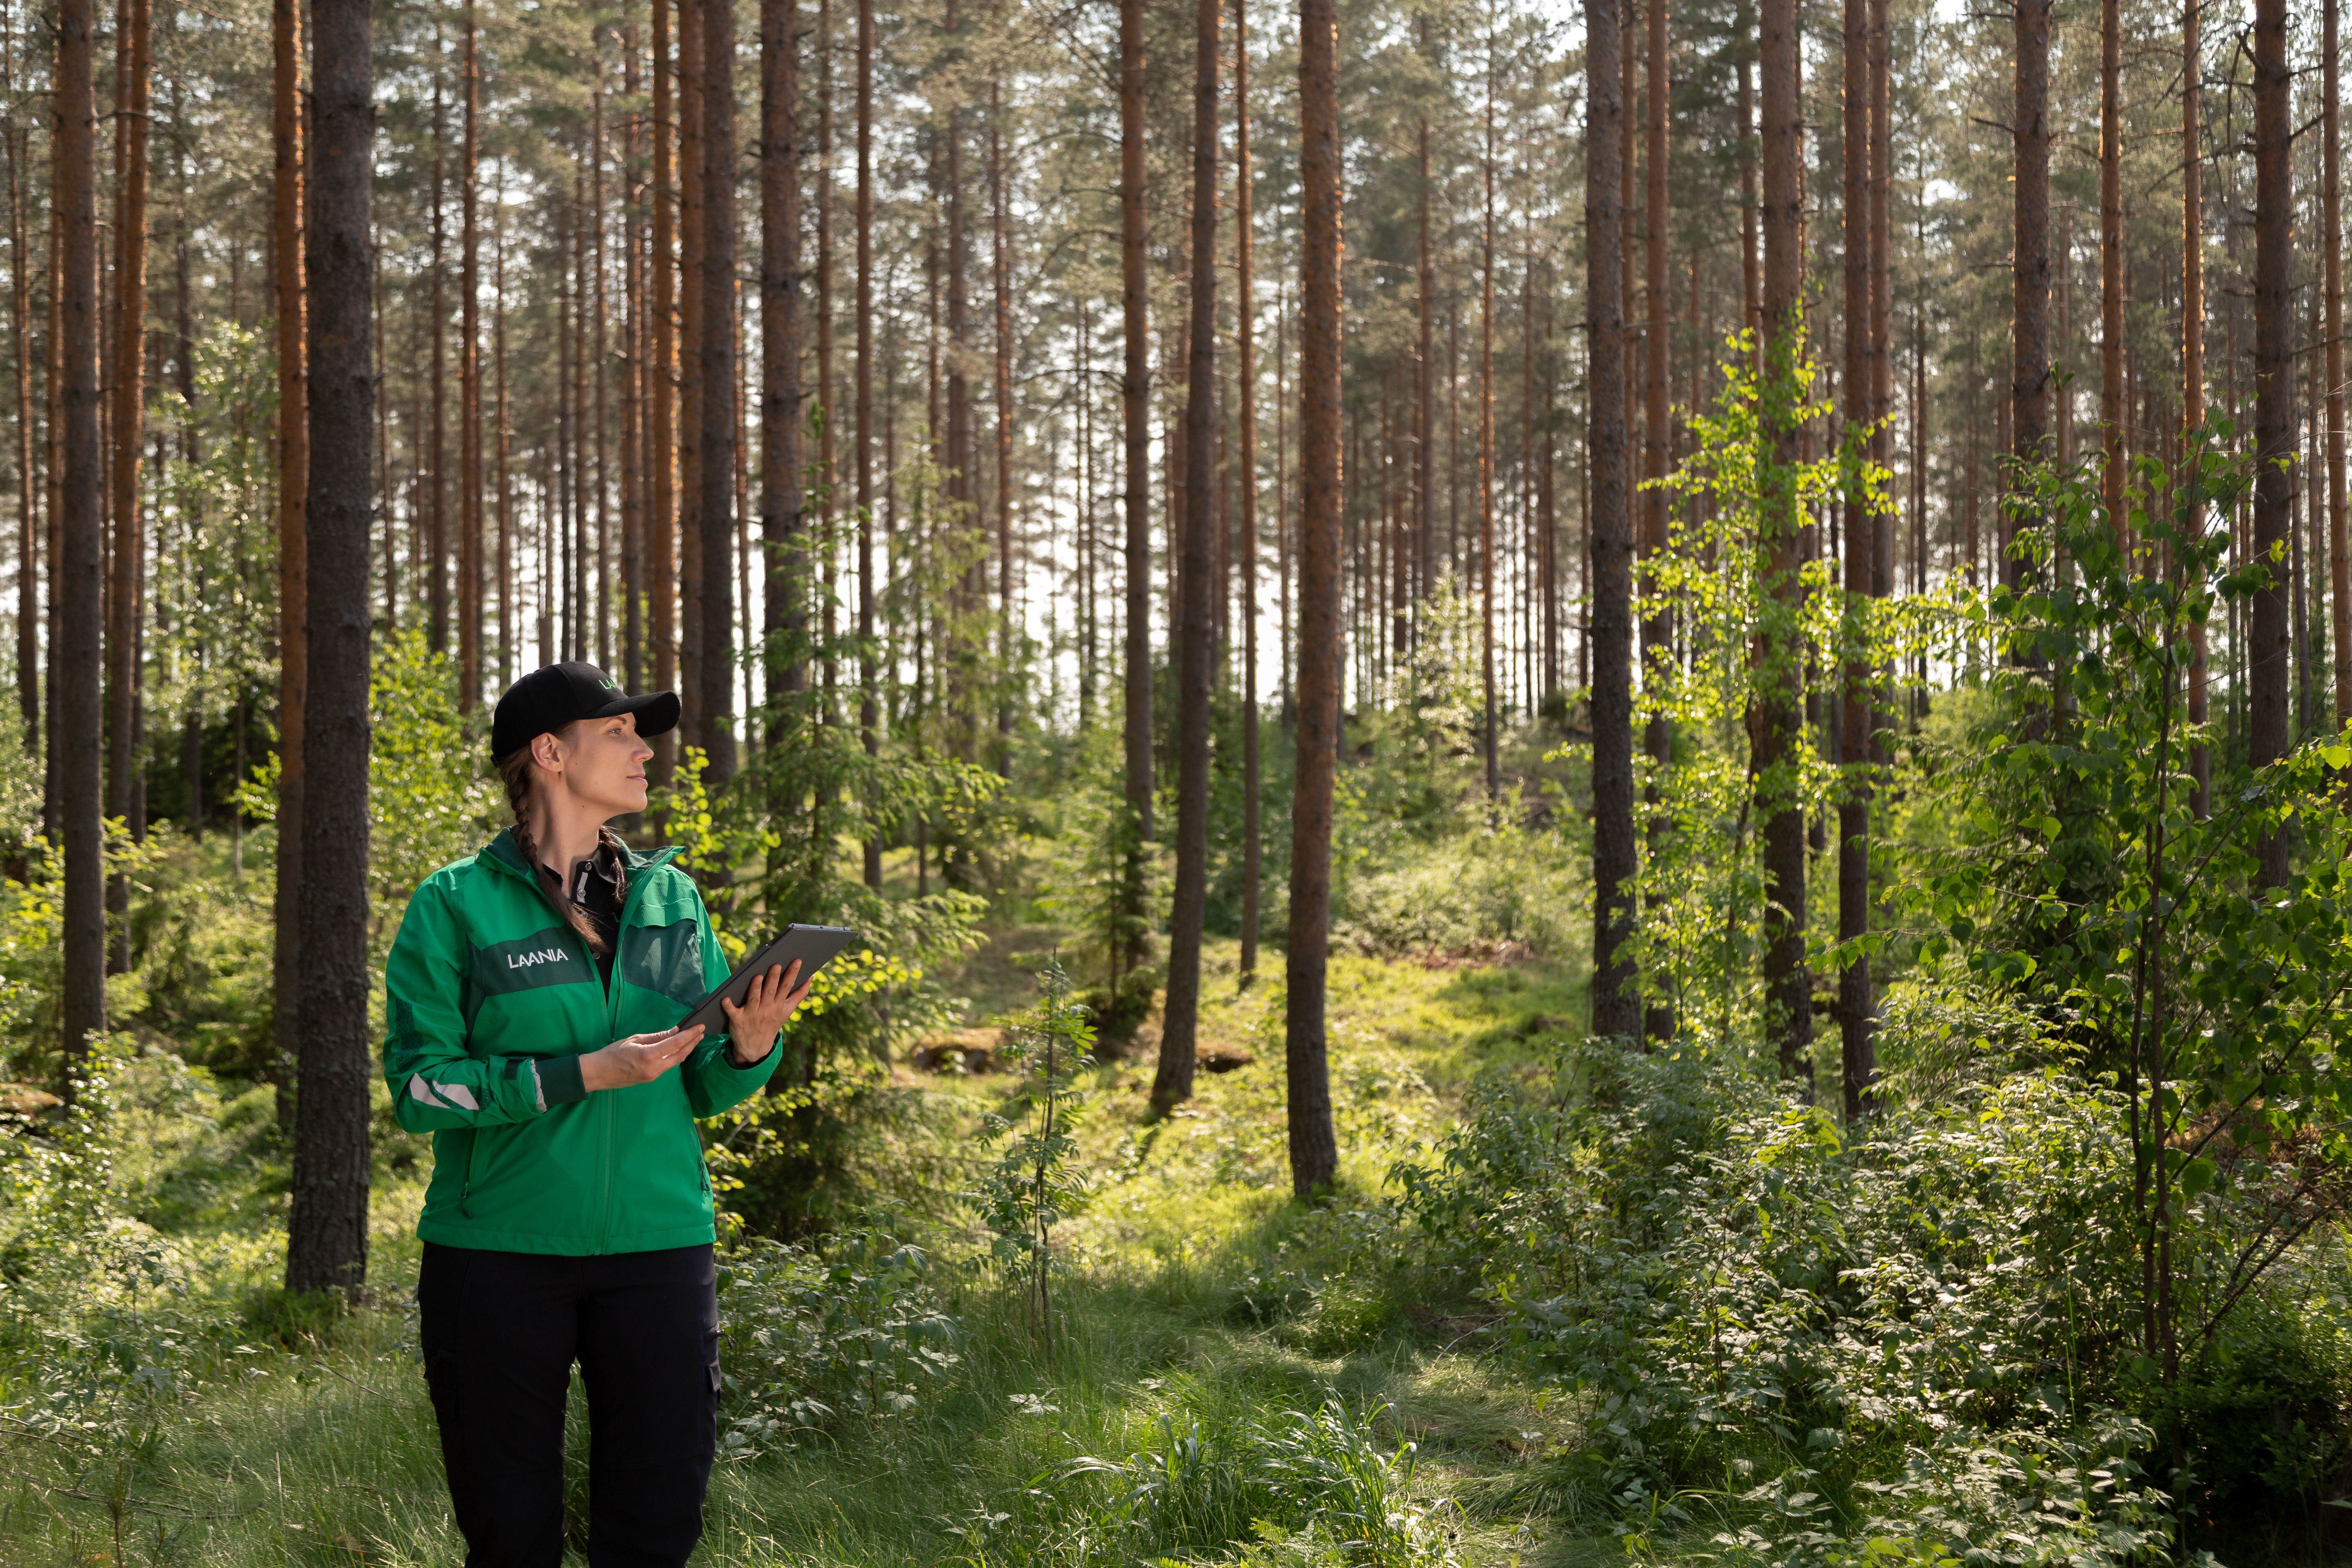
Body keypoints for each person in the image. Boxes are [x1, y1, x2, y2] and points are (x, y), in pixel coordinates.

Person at [383, 661, 809, 1568]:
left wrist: (750, 1047)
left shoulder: (672, 900)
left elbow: (698, 1088)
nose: (643, 750)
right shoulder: (452, 905)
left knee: (655, 1531)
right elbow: (422, 1090)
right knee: (511, 1534)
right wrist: (578, 1074)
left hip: (658, 1248)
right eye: (617, 731)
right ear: (548, 752)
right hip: (498, 1256)